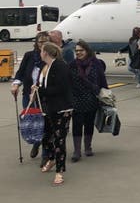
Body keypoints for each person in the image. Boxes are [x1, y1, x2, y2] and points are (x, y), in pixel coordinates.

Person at [33, 42, 73, 186]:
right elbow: (44, 86)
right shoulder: (46, 67)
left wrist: (41, 90)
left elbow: (60, 88)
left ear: (46, 53)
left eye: (41, 50)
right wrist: (37, 88)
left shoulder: (60, 66)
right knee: (46, 137)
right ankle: (51, 158)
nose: (40, 53)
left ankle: (59, 171)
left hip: (61, 108)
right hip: (48, 107)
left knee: (59, 139)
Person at [10, 31, 50, 164]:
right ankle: (36, 143)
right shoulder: (29, 56)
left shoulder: (51, 57)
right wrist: (16, 84)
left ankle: (45, 155)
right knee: (31, 122)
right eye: (40, 42)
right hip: (28, 95)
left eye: (45, 42)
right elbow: (20, 73)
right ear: (36, 43)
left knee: (44, 124)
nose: (43, 44)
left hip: (43, 96)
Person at [68, 40, 108, 162]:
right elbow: (68, 82)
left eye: (81, 50)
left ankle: (88, 147)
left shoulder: (96, 63)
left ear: (87, 51)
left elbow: (102, 80)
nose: (78, 53)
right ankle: (77, 150)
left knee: (89, 123)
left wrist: (106, 95)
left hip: (91, 98)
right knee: (77, 125)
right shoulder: (72, 64)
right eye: (77, 51)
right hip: (77, 98)